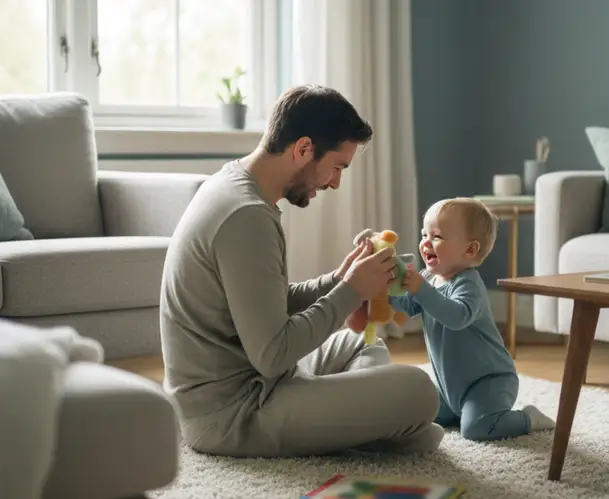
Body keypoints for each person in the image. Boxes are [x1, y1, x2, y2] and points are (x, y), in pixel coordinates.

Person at [159, 84, 444, 458]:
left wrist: (339, 279)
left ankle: (367, 429)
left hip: (257, 383)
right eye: (337, 166)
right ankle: (378, 429)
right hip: (232, 415)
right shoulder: (246, 217)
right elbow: (273, 354)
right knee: (418, 390)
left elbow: (265, 305)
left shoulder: (233, 186)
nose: (335, 182)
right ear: (304, 149)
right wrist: (351, 292)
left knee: (362, 342)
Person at [389, 197, 556, 441]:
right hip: (450, 387)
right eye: (424, 234)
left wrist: (420, 288)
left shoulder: (469, 284)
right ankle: (465, 411)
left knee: (477, 429)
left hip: (488, 382)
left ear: (470, 250)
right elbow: (406, 306)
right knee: (419, 413)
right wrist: (385, 290)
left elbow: (457, 316)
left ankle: (528, 418)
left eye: (437, 237)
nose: (425, 243)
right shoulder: (428, 279)